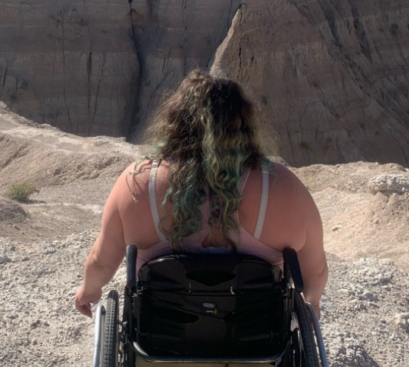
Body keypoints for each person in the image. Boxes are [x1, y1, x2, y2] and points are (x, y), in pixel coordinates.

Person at [74, 69, 327, 318]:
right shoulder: (285, 186)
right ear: (244, 126)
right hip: (258, 341)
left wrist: (89, 290)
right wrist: (311, 304)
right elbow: (314, 275)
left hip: (162, 341)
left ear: (175, 123)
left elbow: (102, 261)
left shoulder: (136, 184)